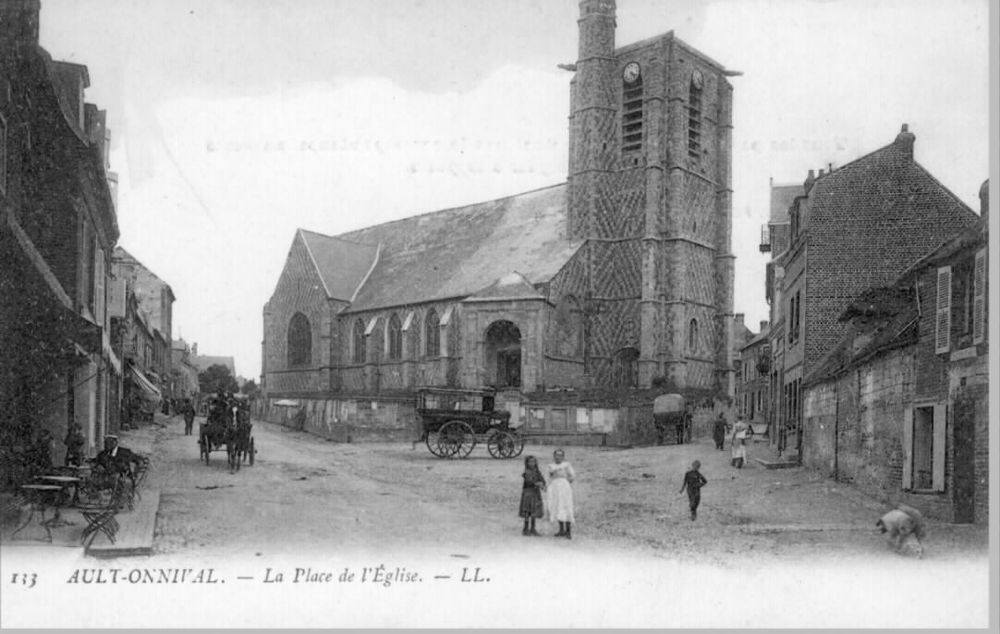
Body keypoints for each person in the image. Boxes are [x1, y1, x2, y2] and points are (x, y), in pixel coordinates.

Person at [546, 449, 576, 539]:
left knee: (566, 506)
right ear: (553, 456)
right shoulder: (550, 466)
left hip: (564, 487)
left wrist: (566, 481)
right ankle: (561, 529)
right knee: (557, 506)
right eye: (556, 455)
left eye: (560, 455)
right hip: (555, 487)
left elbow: (572, 476)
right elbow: (548, 477)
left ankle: (568, 531)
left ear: (563, 457)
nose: (558, 457)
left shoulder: (566, 465)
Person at [519, 455, 546, 536]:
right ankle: (525, 528)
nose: (532, 463)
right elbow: (528, 481)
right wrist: (537, 483)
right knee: (527, 510)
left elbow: (542, 480)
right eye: (530, 462)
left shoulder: (537, 471)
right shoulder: (526, 472)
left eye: (534, 462)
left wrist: (542, 484)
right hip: (528, 493)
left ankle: (533, 528)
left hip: (535, 493)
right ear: (527, 463)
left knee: (534, 510)